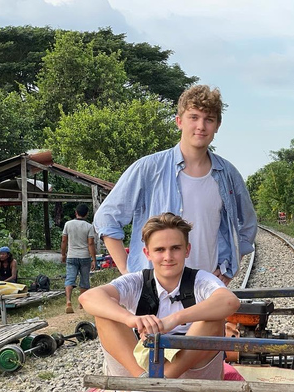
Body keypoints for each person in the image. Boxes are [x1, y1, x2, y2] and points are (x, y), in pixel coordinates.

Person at [79, 213, 240, 392]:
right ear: (147, 253)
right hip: (139, 371)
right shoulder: (137, 281)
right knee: (105, 314)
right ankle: (153, 390)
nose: (168, 257)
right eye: (160, 250)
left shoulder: (200, 280)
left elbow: (229, 302)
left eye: (175, 248)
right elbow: (88, 297)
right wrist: (131, 319)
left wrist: (172, 320)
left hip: (191, 381)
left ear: (187, 250)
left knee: (213, 317)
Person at [93, 84, 257, 285]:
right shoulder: (148, 168)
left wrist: (228, 269)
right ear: (179, 121)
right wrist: (128, 272)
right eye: (194, 117)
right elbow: (106, 217)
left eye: (209, 119)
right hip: (154, 290)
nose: (201, 126)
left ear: (217, 125)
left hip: (205, 289)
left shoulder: (228, 174)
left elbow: (248, 225)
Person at [62, 204, 96, 314]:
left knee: (70, 279)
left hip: (71, 255)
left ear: (76, 212)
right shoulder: (89, 226)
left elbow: (64, 241)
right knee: (84, 280)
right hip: (84, 256)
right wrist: (94, 259)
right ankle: (81, 304)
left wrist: (63, 254)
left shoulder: (68, 224)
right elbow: (90, 244)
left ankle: (68, 301)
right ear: (86, 214)